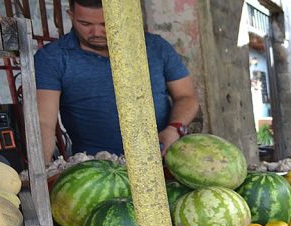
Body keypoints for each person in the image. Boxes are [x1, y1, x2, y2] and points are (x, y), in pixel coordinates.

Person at [35, 0, 199, 163]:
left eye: (105, 24)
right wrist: (42, 169)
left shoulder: (156, 47)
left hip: (163, 160)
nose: (96, 32)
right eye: (85, 23)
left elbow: (186, 97)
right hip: (96, 169)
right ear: (70, 15)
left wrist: (174, 129)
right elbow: (44, 122)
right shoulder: (52, 58)